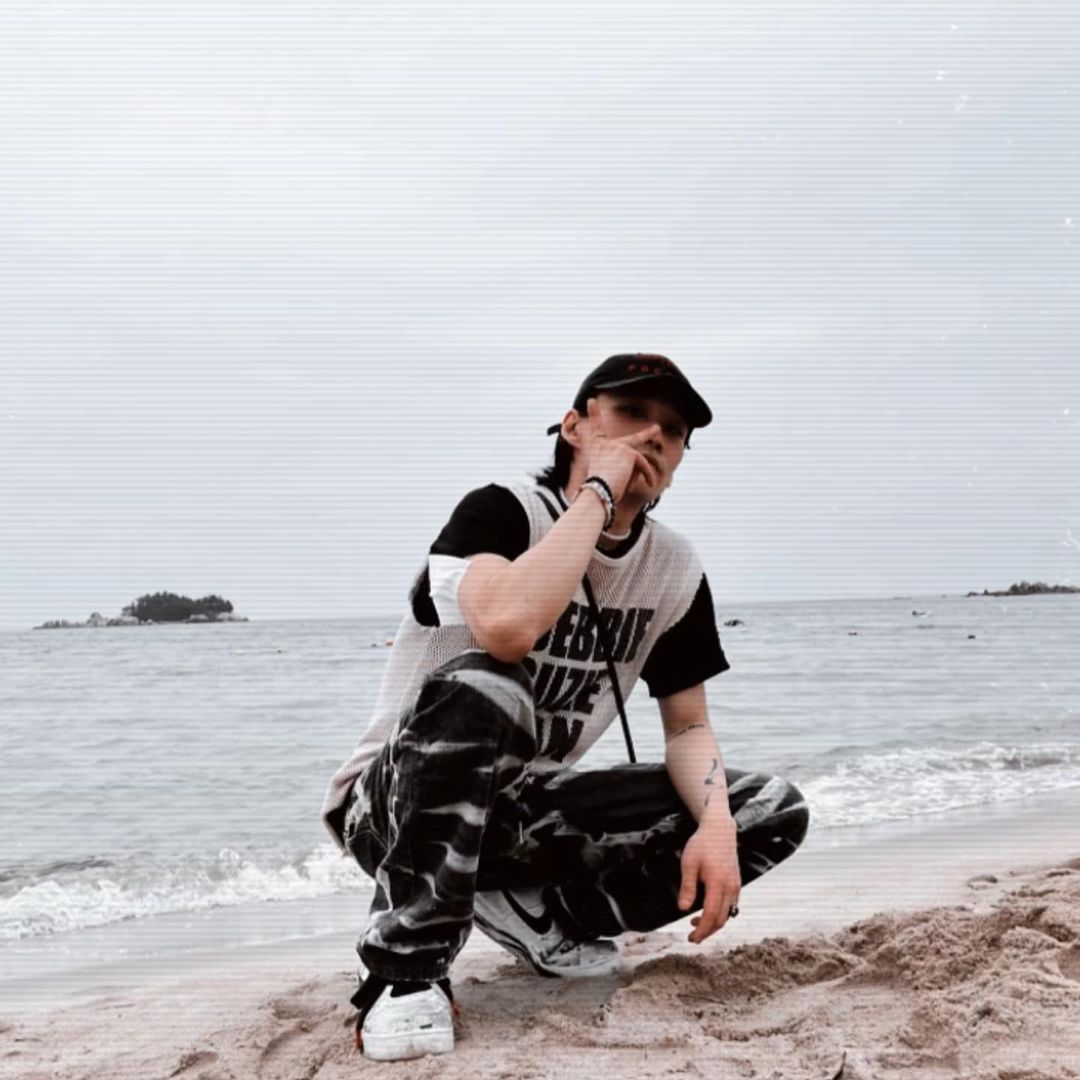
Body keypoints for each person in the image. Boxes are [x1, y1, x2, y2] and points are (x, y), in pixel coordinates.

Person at [321, 353, 810, 1061]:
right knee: (489, 683)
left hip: (524, 814)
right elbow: (507, 628)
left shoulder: (674, 568)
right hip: (393, 809)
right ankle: (407, 971)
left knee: (768, 810)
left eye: (673, 430)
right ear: (574, 427)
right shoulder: (502, 512)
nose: (653, 435)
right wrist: (599, 495)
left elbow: (688, 726)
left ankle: (539, 915)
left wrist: (714, 826)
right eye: (631, 414)